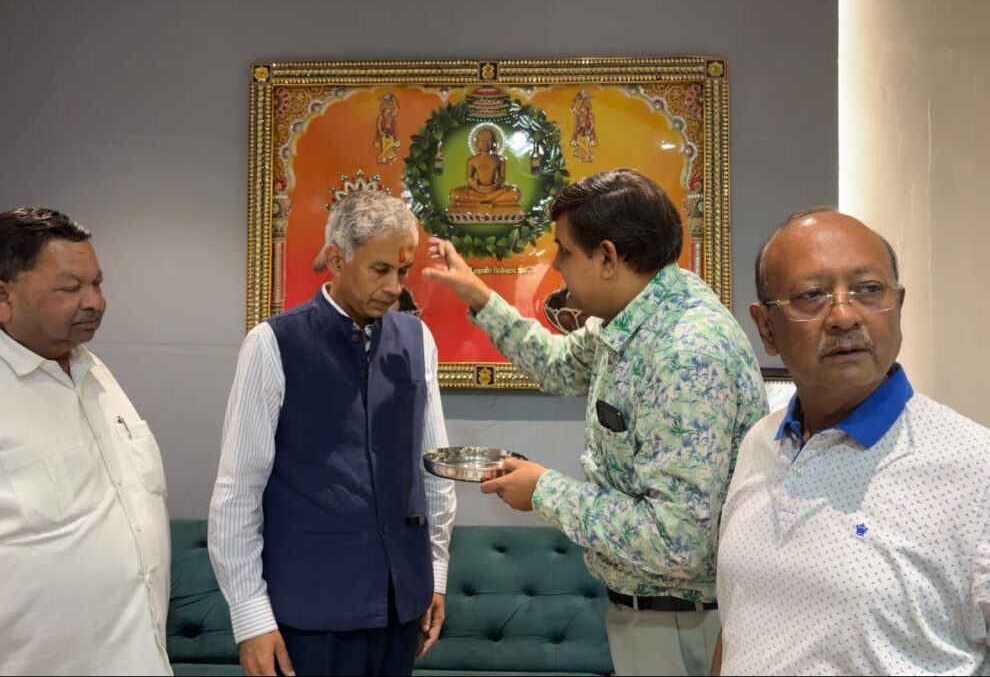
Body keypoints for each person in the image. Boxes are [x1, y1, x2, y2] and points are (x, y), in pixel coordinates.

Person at [424, 168, 766, 676]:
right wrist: (478, 295)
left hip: (683, 624)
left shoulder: (686, 352)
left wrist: (545, 491)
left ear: (607, 257)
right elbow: (558, 366)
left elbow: (678, 541)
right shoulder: (635, 317)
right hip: (650, 616)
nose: (556, 265)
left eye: (564, 251)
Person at [712, 208, 990, 675]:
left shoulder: (975, 468)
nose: (843, 316)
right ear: (766, 327)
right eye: (812, 295)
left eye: (868, 290)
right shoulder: (759, 444)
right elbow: (741, 622)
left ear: (898, 306)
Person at [209, 190, 456, 677]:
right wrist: (250, 617)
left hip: (402, 604)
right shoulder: (272, 344)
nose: (394, 287)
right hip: (310, 610)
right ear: (338, 260)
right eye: (380, 269)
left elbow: (434, 469)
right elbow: (238, 490)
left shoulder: (416, 339)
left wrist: (436, 574)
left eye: (403, 271)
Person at [0, 207, 171, 675]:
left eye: (97, 283)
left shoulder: (94, 372)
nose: (96, 302)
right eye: (70, 288)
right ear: (4, 296)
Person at [447, 127, 522, 217]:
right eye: (483, 141)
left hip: (495, 190)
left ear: (494, 143)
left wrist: (495, 185)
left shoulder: (499, 159)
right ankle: (488, 198)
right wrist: (476, 186)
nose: (486, 143)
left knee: (515, 194)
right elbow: (469, 178)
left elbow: (502, 178)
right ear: (477, 143)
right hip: (477, 191)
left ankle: (484, 198)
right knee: (455, 194)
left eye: (489, 141)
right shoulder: (472, 160)